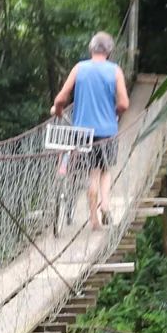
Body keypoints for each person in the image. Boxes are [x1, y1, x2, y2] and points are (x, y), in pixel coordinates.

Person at [50, 30, 130, 226]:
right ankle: (105, 205)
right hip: (108, 131)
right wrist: (115, 112)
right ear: (110, 50)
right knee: (105, 170)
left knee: (91, 173)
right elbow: (125, 104)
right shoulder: (115, 71)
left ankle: (94, 220)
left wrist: (58, 109)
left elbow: (61, 98)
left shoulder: (79, 68)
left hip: (82, 133)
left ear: (90, 48)